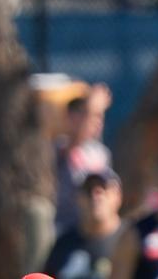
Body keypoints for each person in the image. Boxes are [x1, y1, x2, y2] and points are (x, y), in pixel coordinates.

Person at [44, 169, 124, 279]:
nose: (96, 197)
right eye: (88, 189)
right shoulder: (64, 243)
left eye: (103, 189)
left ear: (118, 196)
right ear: (78, 198)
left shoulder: (130, 240)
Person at [55, 84, 113, 234]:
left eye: (100, 116)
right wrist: (91, 107)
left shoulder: (99, 152)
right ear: (71, 117)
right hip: (62, 229)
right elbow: (75, 141)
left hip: (92, 230)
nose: (97, 121)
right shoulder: (57, 148)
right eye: (89, 115)